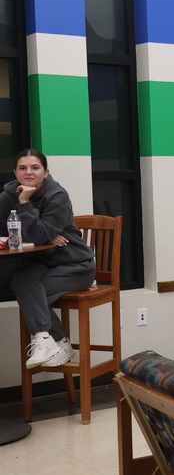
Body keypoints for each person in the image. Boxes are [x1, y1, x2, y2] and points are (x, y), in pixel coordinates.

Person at [0, 149, 95, 369]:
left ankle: (52, 342)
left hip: (75, 266)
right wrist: (41, 234)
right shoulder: (6, 197)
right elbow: (6, 235)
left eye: (35, 168)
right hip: (40, 262)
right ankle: (51, 341)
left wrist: (24, 202)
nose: (29, 172)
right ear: (15, 172)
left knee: (28, 291)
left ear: (45, 172)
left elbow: (39, 234)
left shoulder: (57, 195)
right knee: (22, 279)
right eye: (22, 168)